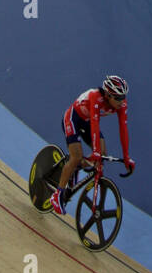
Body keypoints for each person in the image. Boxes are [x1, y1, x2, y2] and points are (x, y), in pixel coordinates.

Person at [51, 76, 134, 216]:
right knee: (76, 156)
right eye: (118, 98)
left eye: (123, 97)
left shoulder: (121, 104)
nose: (122, 101)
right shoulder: (95, 96)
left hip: (87, 122)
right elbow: (95, 123)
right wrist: (95, 151)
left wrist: (126, 157)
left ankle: (76, 167)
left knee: (102, 154)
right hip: (73, 119)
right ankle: (57, 194)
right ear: (108, 95)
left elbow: (123, 129)